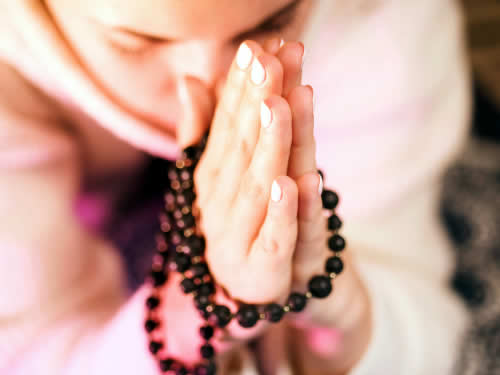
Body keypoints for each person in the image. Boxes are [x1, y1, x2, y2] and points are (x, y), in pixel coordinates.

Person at [0, 0, 472, 374]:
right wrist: (183, 323)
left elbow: (429, 328)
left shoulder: (384, 28)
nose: (210, 81)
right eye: (136, 42)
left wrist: (352, 320)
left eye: (272, 21)